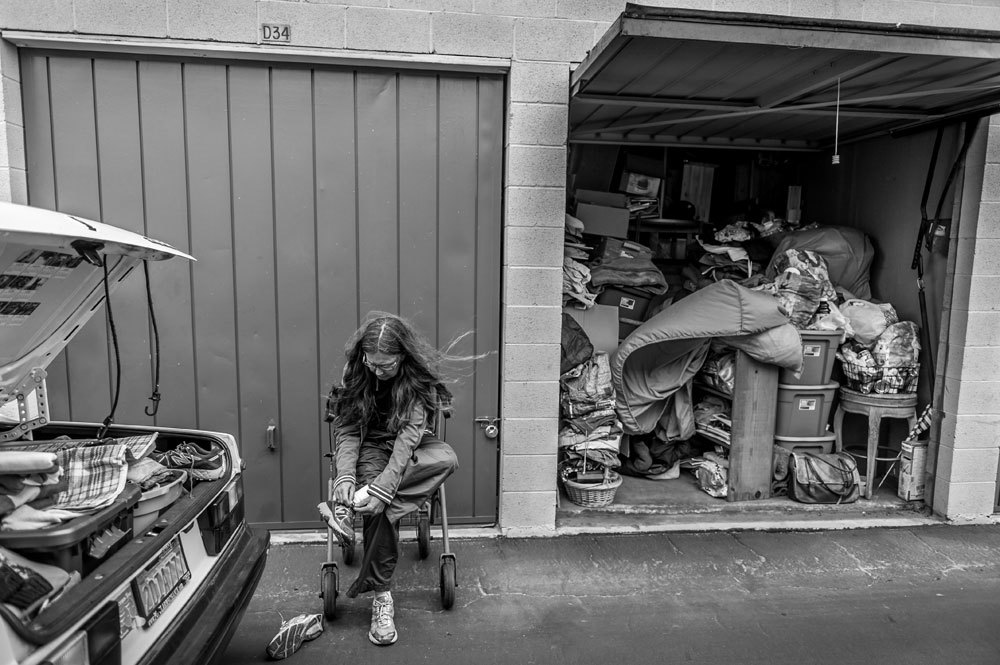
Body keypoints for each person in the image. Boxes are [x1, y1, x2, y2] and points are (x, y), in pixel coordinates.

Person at [320, 312, 460, 647]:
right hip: (371, 444)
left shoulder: (416, 380)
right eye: (373, 363)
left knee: (446, 458)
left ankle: (352, 505)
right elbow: (350, 430)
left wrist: (383, 488)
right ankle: (382, 597)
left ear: (403, 357)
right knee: (379, 510)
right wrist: (344, 476)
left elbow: (408, 439)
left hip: (407, 444)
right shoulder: (358, 371)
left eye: (386, 366)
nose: (378, 371)